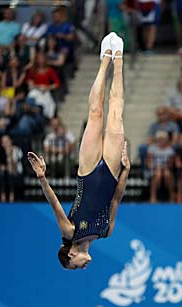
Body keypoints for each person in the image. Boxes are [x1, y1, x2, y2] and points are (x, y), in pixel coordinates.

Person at [27, 33, 130, 269]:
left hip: (88, 170)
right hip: (113, 172)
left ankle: (104, 60)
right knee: (115, 113)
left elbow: (53, 203)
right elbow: (115, 199)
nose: (84, 266)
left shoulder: (69, 232)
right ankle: (119, 60)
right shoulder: (105, 232)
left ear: (70, 256)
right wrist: (126, 170)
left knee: (96, 114)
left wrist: (42, 178)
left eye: (78, 266)